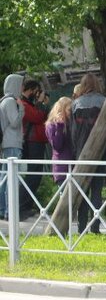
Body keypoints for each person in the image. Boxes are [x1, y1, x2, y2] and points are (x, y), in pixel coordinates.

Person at [68, 73, 106, 233]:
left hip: (81, 151)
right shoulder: (104, 101)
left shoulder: (75, 104)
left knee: (82, 189)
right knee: (97, 190)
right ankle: (95, 227)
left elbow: (73, 132)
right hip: (99, 151)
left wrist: (76, 149)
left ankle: (81, 226)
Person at [19, 79, 50, 219]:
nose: (37, 95)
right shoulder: (23, 103)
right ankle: (21, 206)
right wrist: (40, 104)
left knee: (36, 175)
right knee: (32, 175)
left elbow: (44, 117)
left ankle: (27, 206)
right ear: (31, 90)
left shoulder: (31, 104)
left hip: (38, 141)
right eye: (36, 92)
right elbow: (37, 117)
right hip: (32, 142)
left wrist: (42, 105)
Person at [0, 74, 25, 221]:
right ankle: (10, 211)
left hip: (6, 143)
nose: (22, 88)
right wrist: (21, 108)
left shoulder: (3, 101)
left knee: (3, 178)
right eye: (21, 85)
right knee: (12, 179)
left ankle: (3, 210)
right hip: (12, 143)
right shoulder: (10, 102)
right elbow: (15, 122)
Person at [45, 97, 74, 186]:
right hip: (62, 167)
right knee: (65, 197)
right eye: (69, 109)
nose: (71, 112)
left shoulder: (71, 123)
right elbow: (57, 145)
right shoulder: (52, 125)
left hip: (73, 166)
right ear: (62, 109)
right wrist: (60, 126)